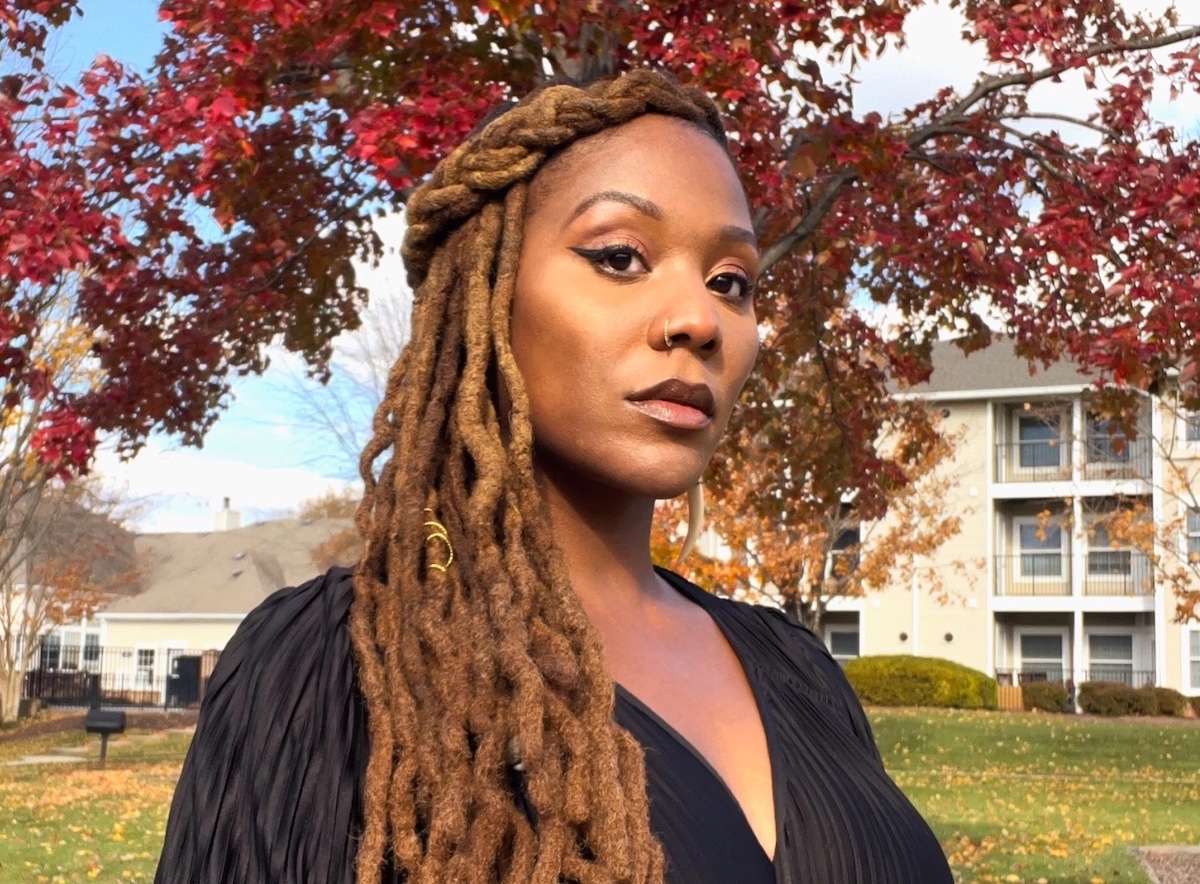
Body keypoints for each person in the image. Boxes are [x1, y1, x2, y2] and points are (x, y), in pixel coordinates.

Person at [154, 70, 954, 884]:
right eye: (620, 257)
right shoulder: (333, 667)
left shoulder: (802, 669)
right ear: (484, 296)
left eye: (731, 282)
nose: (699, 319)